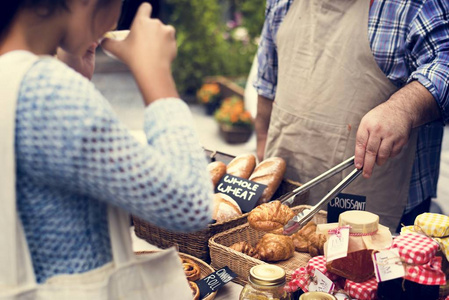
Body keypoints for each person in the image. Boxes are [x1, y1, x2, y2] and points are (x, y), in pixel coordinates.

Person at [0, 0, 212, 298]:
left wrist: (73, 78)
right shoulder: (49, 91)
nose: (114, 23)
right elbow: (190, 205)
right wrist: (155, 72)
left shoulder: (21, 80)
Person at [254, 0, 449, 232]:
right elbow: (267, 82)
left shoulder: (414, 5)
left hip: (376, 197)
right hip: (288, 187)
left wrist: (401, 109)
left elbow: (444, 65)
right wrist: (262, 140)